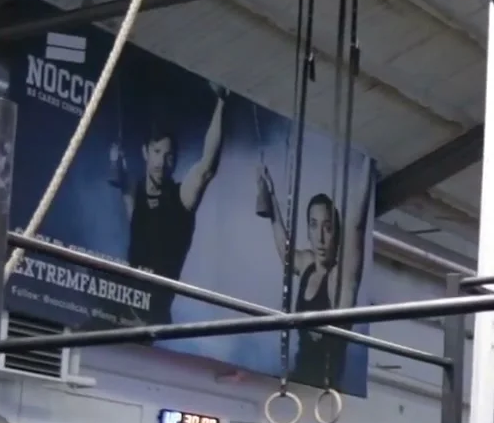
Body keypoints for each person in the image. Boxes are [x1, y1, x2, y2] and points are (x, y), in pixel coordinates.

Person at [110, 85, 227, 325]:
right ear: (145, 152)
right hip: (123, 314)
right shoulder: (136, 195)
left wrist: (221, 102)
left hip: (154, 321)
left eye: (169, 155)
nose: (161, 162)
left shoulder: (181, 198)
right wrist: (115, 160)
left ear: (175, 161)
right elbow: (122, 181)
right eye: (157, 151)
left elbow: (206, 167)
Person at [256, 166, 373, 391]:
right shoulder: (308, 265)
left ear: (337, 234)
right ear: (308, 230)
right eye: (313, 225)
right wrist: (271, 197)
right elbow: (285, 251)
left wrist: (368, 161)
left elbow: (356, 225)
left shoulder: (341, 280)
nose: (320, 237)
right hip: (298, 379)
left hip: (324, 389)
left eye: (328, 228)